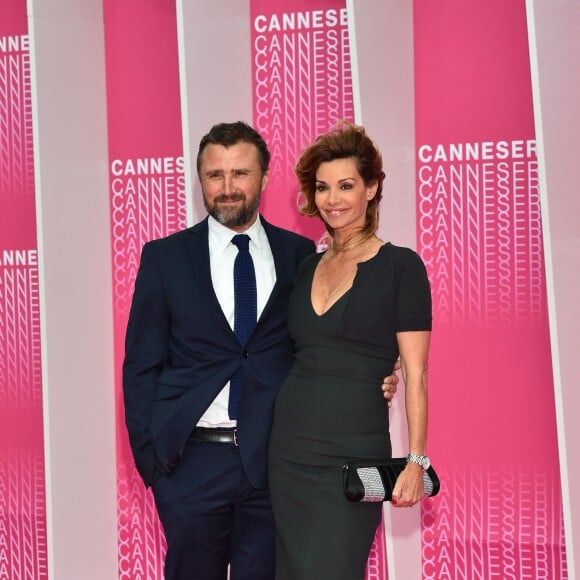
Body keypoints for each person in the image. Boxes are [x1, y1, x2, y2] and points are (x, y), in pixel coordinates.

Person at [122, 121, 399, 580]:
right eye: (215, 175)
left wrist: (375, 374)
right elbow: (141, 367)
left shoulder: (302, 256)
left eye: (241, 173)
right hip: (192, 462)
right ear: (200, 179)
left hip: (276, 464)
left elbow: (318, 345)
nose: (228, 188)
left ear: (265, 178)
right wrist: (155, 465)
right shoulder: (164, 258)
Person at [268, 122, 433, 580]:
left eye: (346, 185)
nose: (332, 199)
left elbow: (416, 373)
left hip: (352, 457)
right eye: (322, 187)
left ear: (372, 188)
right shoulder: (304, 268)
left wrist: (416, 460)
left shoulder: (402, 267)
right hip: (288, 452)